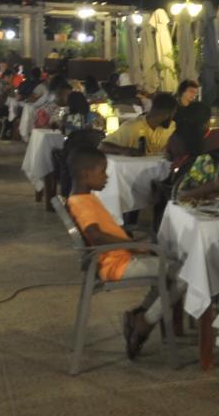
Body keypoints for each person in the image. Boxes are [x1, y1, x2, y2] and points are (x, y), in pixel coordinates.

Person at [65, 146, 184, 359]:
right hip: (116, 264)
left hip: (117, 257)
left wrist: (131, 244)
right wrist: (132, 245)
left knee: (168, 270)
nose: (107, 176)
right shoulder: (81, 203)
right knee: (186, 275)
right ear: (85, 174)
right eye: (102, 171)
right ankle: (144, 324)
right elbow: (97, 235)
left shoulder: (83, 198)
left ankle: (139, 315)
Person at [102, 92, 177, 156]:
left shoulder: (172, 128)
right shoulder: (131, 127)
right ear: (166, 114)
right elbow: (102, 147)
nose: (172, 119)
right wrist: (125, 150)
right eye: (173, 114)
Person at [173, 79, 210, 157]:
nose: (193, 95)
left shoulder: (196, 108)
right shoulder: (174, 107)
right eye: (191, 91)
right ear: (183, 91)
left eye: (195, 93)